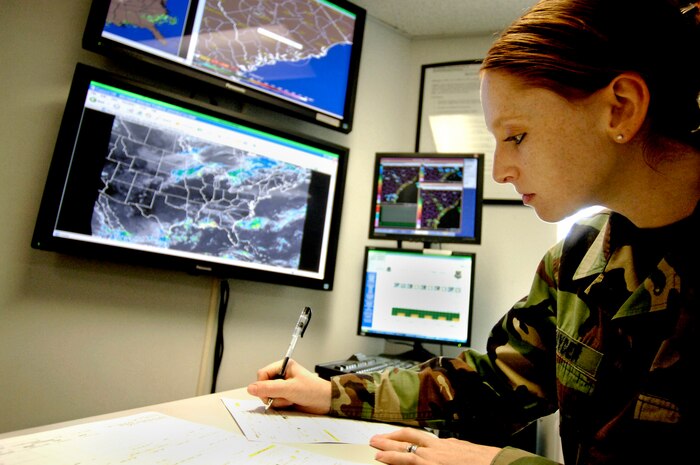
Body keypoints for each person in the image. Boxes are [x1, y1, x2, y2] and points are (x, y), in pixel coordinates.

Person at [248, 0, 700, 463]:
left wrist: (498, 463)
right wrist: (331, 394)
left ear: (621, 109)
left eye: (516, 136)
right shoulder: (579, 258)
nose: (500, 171)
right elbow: (491, 383)